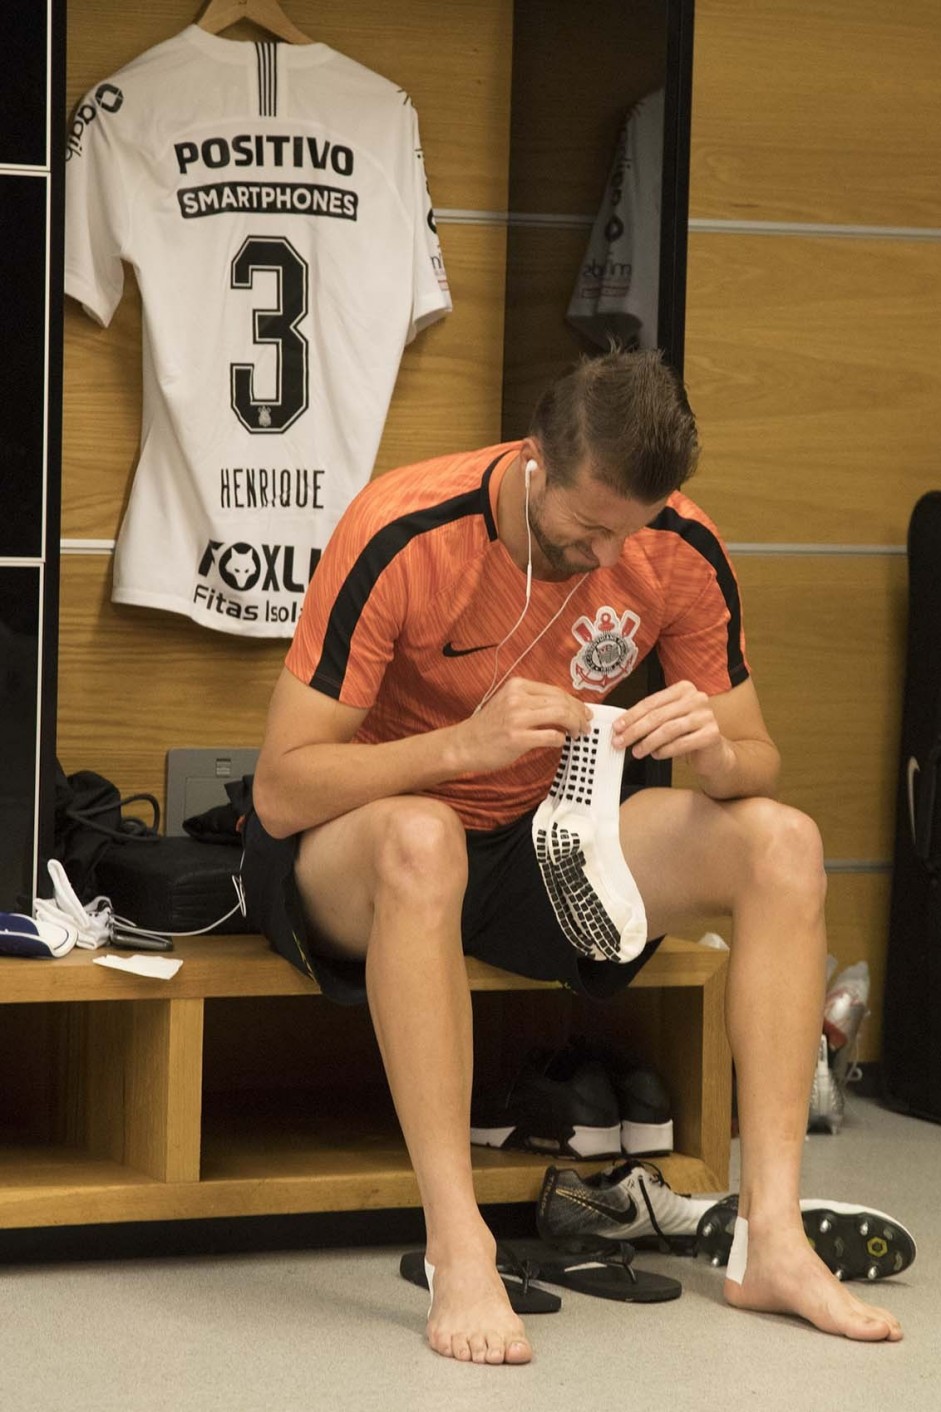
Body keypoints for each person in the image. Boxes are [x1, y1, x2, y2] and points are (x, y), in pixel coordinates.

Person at [244, 349, 903, 1364]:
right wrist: (460, 746)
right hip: (359, 844)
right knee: (422, 836)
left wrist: (710, 747)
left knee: (782, 839)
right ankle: (456, 1242)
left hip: (533, 834)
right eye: (584, 528)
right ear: (535, 461)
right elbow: (283, 785)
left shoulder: (674, 545)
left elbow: (753, 757)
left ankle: (770, 1237)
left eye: (625, 532)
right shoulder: (402, 527)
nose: (603, 555)